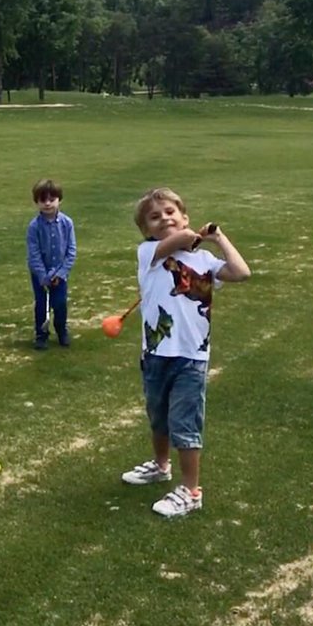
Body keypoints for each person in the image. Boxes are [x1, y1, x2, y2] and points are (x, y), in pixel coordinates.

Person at [121, 186, 250, 518]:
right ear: (146, 230)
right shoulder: (148, 254)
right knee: (158, 416)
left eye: (170, 213)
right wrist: (192, 236)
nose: (164, 219)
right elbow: (178, 241)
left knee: (184, 422)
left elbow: (241, 272)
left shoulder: (204, 261)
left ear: (184, 217)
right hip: (155, 354)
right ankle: (161, 465)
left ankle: (191, 491)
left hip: (191, 357)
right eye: (155, 217)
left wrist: (217, 238)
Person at [25, 178, 77, 349]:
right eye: (43, 200)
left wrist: (60, 274)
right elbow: (34, 254)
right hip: (39, 275)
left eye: (51, 199)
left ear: (59, 200)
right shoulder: (34, 227)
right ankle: (41, 334)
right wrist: (43, 276)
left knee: (60, 303)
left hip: (60, 274)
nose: (47, 204)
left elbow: (71, 251)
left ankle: (62, 330)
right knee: (41, 304)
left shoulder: (67, 223)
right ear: (37, 202)